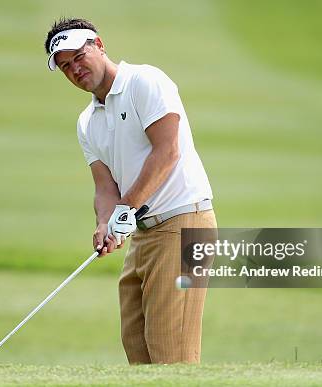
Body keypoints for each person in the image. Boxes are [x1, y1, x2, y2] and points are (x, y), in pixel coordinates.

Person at [44, 17, 216, 364]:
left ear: (99, 45)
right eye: (65, 66)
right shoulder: (87, 121)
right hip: (142, 234)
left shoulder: (145, 81)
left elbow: (167, 150)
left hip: (183, 224)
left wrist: (127, 207)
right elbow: (104, 185)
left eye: (78, 56)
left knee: (172, 356)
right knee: (139, 352)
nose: (74, 69)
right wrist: (105, 223)